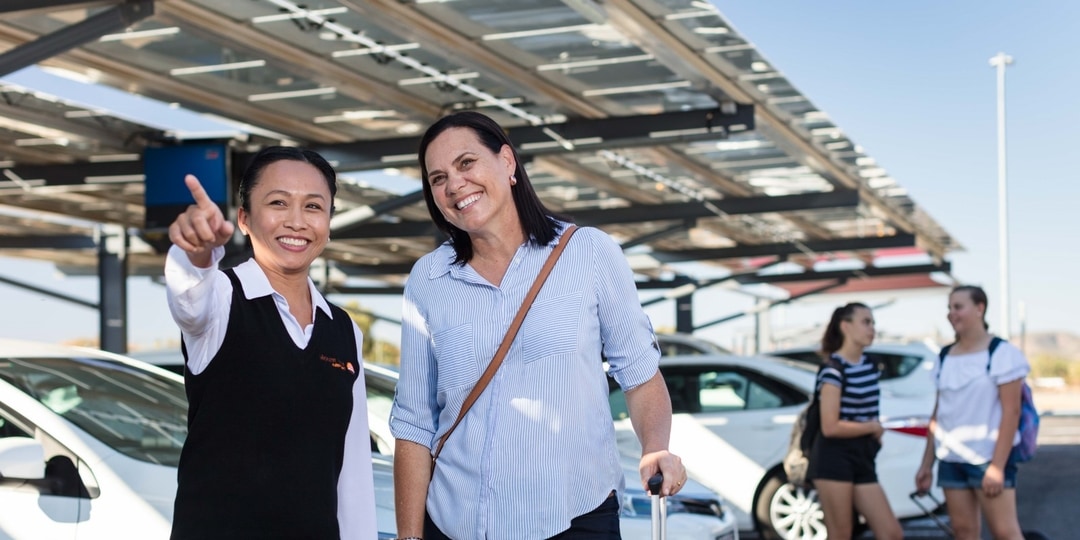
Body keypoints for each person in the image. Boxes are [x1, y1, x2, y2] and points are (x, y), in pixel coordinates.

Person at [389, 111, 687, 540]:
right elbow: (415, 422)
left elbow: (639, 376)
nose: (454, 184)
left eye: (466, 163)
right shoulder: (428, 279)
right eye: (437, 178)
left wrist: (655, 446)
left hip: (573, 519)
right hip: (456, 524)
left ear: (507, 163)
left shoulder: (589, 253)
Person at [164, 146, 377, 540]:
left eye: (314, 207)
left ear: (329, 224)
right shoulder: (221, 300)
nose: (296, 221)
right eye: (278, 203)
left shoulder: (344, 330)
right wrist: (196, 252)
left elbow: (352, 473)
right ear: (244, 219)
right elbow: (188, 298)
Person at [915, 286, 1028, 540]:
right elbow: (938, 415)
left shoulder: (1001, 354)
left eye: (958, 307)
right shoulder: (944, 356)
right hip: (951, 461)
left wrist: (997, 467)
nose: (951, 314)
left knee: (1005, 532)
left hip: (988, 460)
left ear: (980, 308)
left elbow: (1012, 412)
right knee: (964, 532)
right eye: (949, 308)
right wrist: (926, 464)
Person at [809, 303, 902, 540]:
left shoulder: (870, 365)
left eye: (873, 323)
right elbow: (830, 427)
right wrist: (871, 427)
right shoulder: (833, 370)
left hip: (862, 456)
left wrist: (873, 431)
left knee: (891, 533)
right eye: (866, 322)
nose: (872, 329)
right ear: (845, 326)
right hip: (834, 457)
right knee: (840, 534)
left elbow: (869, 409)